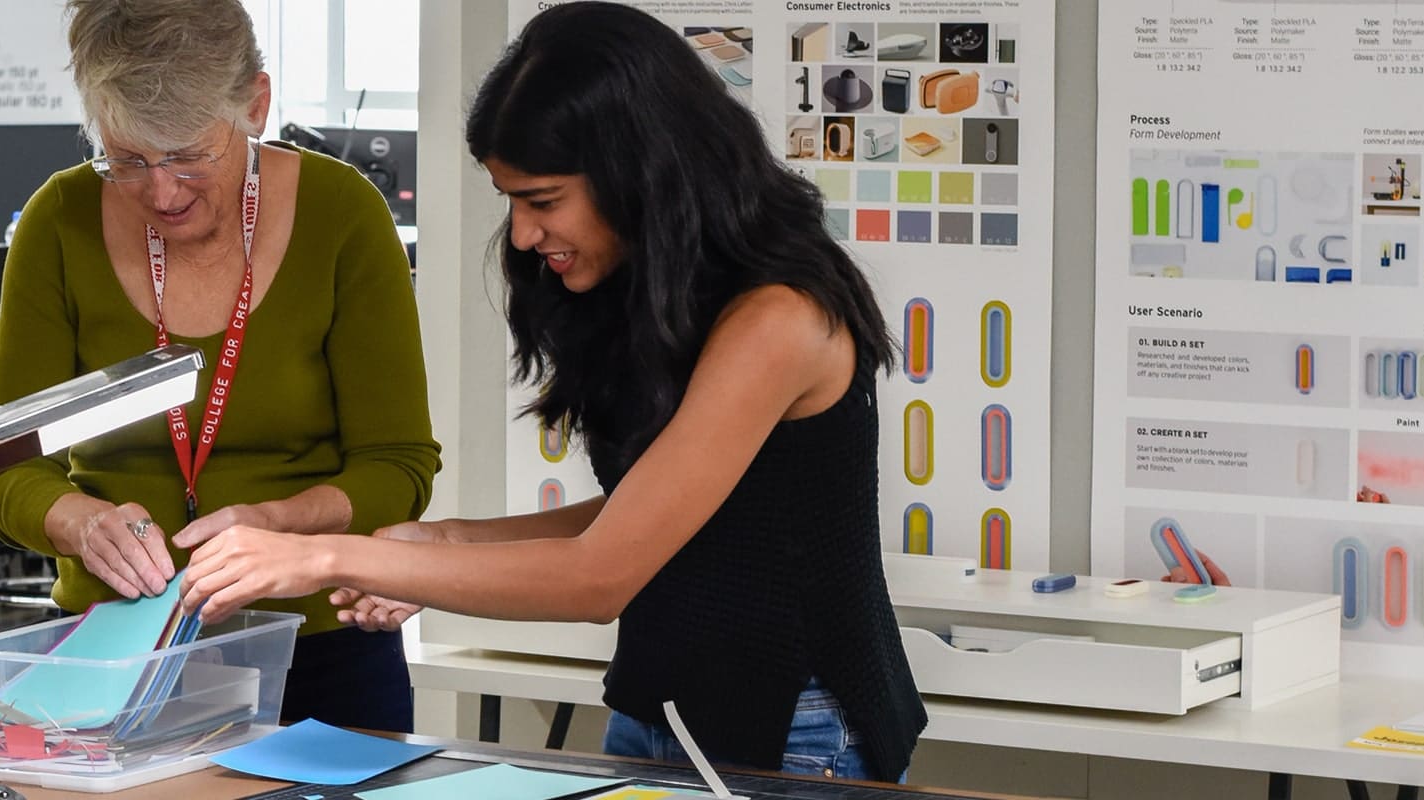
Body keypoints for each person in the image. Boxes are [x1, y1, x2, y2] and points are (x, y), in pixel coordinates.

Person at [174, 2, 925, 782]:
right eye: (511, 201)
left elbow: (602, 575)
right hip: (663, 710)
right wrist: (435, 542)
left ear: (637, 171)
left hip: (794, 733)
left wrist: (324, 555)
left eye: (542, 200)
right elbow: (649, 514)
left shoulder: (779, 319)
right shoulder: (657, 293)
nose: (525, 235)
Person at [0, 0, 440, 733]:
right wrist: (79, 522)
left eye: (189, 155)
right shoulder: (57, 223)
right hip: (108, 657)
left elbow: (398, 468)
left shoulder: (344, 215)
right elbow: (0, 469)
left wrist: (275, 526)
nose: (161, 194)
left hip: (320, 650)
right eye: (126, 160)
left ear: (256, 103)